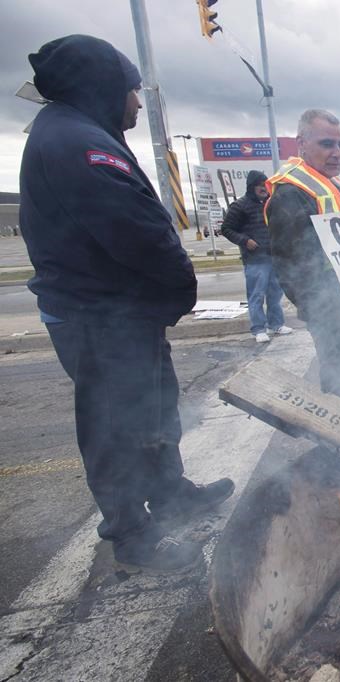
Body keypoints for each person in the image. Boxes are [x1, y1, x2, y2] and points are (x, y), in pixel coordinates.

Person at [19, 35, 235, 572]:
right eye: (132, 89)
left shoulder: (77, 133)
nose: (138, 101)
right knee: (116, 425)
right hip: (100, 318)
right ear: (104, 88)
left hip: (121, 315)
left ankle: (169, 494)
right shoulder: (79, 145)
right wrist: (180, 286)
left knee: (154, 411)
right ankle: (133, 537)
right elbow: (138, 235)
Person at [266, 109, 340, 409]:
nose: (337, 153)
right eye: (327, 144)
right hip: (334, 315)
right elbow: (292, 266)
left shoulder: (335, 187)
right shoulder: (292, 193)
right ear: (301, 143)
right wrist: (324, 313)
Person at [220, 170, 293, 343]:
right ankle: (259, 329)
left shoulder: (270, 203)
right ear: (252, 187)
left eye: (265, 185)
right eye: (260, 185)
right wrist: (245, 241)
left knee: (275, 294)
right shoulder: (240, 206)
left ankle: (276, 324)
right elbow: (227, 229)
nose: (263, 188)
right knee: (256, 295)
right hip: (255, 260)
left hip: (274, 257)